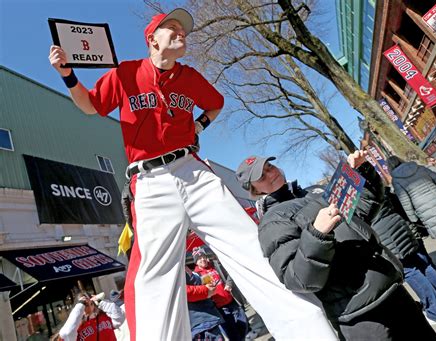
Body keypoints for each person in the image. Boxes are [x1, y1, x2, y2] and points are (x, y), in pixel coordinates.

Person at [49, 8, 336, 340]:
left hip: (192, 170)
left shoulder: (189, 77)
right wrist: (67, 74)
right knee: (154, 280)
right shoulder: (126, 72)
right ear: (151, 39)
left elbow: (216, 103)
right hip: (150, 179)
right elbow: (90, 105)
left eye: (182, 29)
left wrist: (200, 124)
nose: (180, 32)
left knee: (249, 247)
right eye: (170, 28)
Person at [236, 152, 436, 340]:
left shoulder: (314, 194)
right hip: (360, 314)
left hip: (391, 290)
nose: (270, 173)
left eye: (270, 166)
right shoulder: (273, 222)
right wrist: (317, 234)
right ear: (254, 189)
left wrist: (363, 172)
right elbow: (298, 279)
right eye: (261, 176)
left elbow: (365, 210)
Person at [372, 187, 436, 324]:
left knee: (410, 272)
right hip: (402, 228)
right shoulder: (377, 187)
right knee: (424, 265)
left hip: (386, 238)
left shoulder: (353, 204)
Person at [192, 247, 248, 341]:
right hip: (220, 309)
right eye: (199, 258)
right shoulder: (196, 275)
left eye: (203, 256)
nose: (202, 259)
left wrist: (229, 284)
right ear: (196, 262)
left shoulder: (215, 265)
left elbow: (230, 272)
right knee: (232, 333)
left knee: (244, 323)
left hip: (232, 301)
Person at [59, 292, 125, 341]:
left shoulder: (103, 317)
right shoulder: (76, 328)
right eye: (85, 305)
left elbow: (120, 317)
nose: (90, 307)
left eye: (91, 303)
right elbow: (66, 334)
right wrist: (80, 306)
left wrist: (100, 301)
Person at [185, 266, 227, 340]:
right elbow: (183, 291)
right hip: (199, 322)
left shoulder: (182, 267)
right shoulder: (173, 269)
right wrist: (206, 290)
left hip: (207, 318)